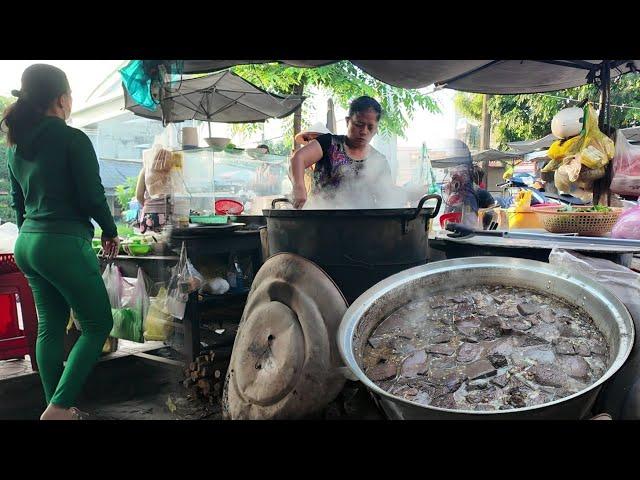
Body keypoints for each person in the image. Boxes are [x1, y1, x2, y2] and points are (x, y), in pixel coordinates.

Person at [1, 64, 120, 420]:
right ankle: (59, 407)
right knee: (98, 324)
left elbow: (20, 204)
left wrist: (34, 237)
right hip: (63, 242)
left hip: (28, 243)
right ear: (60, 99)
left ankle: (57, 409)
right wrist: (110, 230)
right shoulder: (73, 139)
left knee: (50, 327)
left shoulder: (15, 147)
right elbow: (92, 196)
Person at [289, 96, 393, 209]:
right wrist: (298, 187)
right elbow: (298, 158)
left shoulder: (379, 160)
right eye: (359, 124)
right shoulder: (328, 142)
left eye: (370, 127)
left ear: (377, 129)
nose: (364, 131)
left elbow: (386, 196)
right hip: (322, 219)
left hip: (363, 223)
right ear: (348, 121)